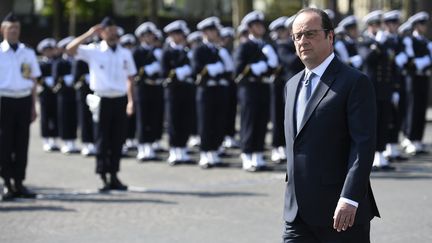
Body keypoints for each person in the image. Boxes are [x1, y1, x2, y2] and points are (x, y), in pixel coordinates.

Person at [283, 8, 380, 242]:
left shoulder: (354, 82)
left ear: (330, 37)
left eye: (311, 34)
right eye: (297, 36)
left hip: (341, 213)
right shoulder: (292, 85)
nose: (303, 41)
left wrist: (350, 198)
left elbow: (363, 146)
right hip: (297, 214)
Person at [66, 17, 136, 191]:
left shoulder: (125, 53)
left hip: (119, 99)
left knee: (118, 139)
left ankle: (114, 174)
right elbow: (69, 50)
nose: (112, 34)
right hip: (102, 99)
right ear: (102, 33)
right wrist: (89, 34)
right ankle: (103, 174)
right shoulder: (94, 50)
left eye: (114, 31)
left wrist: (131, 101)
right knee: (102, 138)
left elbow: (130, 79)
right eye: (108, 31)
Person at [0, 13, 41, 200]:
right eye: (10, 28)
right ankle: (6, 182)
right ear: (3, 30)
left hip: (23, 101)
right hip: (4, 101)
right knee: (5, 144)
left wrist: (33, 106)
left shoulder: (28, 52)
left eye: (16, 28)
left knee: (22, 143)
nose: (14, 31)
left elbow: (33, 80)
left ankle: (19, 182)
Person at [234, 10, 279, 172]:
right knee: (249, 122)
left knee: (261, 121)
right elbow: (237, 69)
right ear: (251, 28)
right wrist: (253, 68)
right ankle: (247, 155)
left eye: (261, 25)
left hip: (263, 86)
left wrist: (270, 65)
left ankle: (258, 154)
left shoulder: (266, 45)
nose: (261, 28)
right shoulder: (245, 46)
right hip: (249, 88)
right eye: (257, 25)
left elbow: (275, 68)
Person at [192, 16, 230, 168]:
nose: (216, 33)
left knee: (218, 120)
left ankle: (214, 150)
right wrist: (213, 69)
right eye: (213, 31)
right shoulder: (199, 49)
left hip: (219, 89)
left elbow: (228, 71)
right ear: (206, 32)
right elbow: (197, 69)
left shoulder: (219, 50)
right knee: (206, 122)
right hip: (206, 89)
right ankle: (205, 153)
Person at [161, 20, 195, 165]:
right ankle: (174, 150)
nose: (179, 37)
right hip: (173, 90)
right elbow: (165, 72)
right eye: (175, 34)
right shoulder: (167, 52)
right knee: (174, 120)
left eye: (180, 34)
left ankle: (183, 148)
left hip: (186, 90)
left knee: (185, 119)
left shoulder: (188, 52)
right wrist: (180, 72)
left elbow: (195, 70)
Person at [400, 12, 431, 155]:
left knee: (421, 109)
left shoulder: (425, 42)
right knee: (412, 107)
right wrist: (424, 61)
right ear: (416, 25)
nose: (424, 27)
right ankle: (410, 138)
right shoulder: (409, 40)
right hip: (413, 78)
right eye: (422, 24)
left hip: (424, 77)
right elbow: (410, 62)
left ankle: (418, 139)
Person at [133, 22, 164, 161]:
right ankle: (142, 147)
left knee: (154, 117)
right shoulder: (137, 52)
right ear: (141, 37)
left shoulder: (157, 51)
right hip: (143, 88)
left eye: (151, 35)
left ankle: (150, 146)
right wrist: (150, 68)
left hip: (156, 87)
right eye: (148, 35)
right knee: (143, 118)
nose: (151, 37)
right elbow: (136, 71)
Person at [36, 38, 60, 152]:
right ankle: (46, 139)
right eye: (47, 50)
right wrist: (44, 82)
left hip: (55, 92)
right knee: (45, 117)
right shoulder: (40, 63)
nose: (49, 52)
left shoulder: (56, 62)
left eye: (51, 50)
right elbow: (36, 77)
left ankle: (54, 139)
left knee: (55, 115)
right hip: (44, 92)